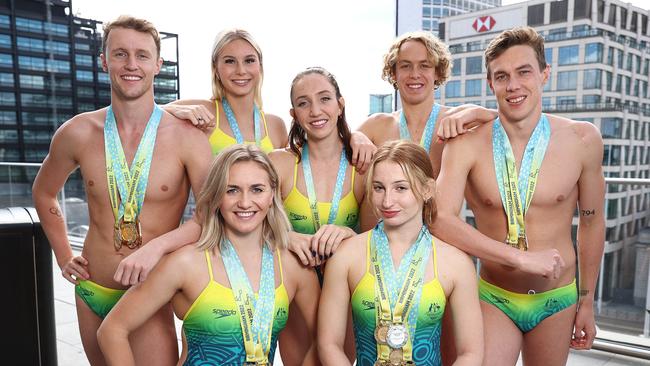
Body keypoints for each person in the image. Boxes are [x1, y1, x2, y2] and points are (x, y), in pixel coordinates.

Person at [31, 16, 211, 365]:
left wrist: (156, 249)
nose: (132, 65)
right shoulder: (78, 132)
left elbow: (210, 219)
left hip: (148, 292)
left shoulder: (188, 137)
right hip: (92, 289)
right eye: (120, 54)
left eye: (142, 56)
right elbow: (44, 192)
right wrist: (63, 254)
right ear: (104, 61)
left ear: (158, 64)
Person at [432, 26, 605, 365]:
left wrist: (586, 301)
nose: (513, 85)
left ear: (545, 74)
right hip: (494, 296)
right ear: (490, 84)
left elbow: (593, 223)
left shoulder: (583, 140)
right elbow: (439, 219)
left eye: (524, 72)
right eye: (502, 76)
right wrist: (518, 258)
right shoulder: (465, 142)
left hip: (558, 299)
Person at [97, 144, 321, 366]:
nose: (244, 202)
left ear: (272, 194)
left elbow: (324, 338)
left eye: (257, 189)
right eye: (231, 190)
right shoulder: (185, 263)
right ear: (216, 196)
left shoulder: (293, 266)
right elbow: (112, 330)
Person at [318, 140, 483, 366]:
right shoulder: (346, 256)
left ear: (427, 190)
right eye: (378, 188)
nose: (387, 201)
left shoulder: (457, 263)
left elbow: (471, 353)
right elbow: (329, 344)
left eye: (400, 188)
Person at [270, 66, 373, 364]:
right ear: (294, 114)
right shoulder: (278, 164)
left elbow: (382, 239)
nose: (315, 110)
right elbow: (246, 227)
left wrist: (349, 235)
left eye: (325, 99)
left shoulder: (363, 166)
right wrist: (286, 235)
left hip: (348, 293)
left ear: (340, 105)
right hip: (296, 288)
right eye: (303, 103)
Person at [357, 31, 498, 181]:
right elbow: (335, 144)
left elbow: (516, 122)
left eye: (424, 66)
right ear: (393, 73)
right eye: (406, 66)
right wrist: (355, 136)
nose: (415, 74)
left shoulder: (459, 118)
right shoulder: (376, 126)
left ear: (437, 72)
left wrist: (476, 114)